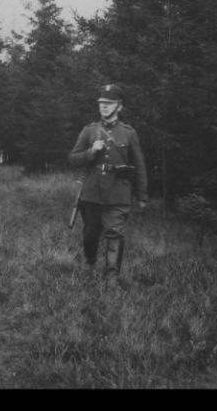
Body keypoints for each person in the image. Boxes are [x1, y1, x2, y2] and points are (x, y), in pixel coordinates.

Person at [68, 84, 148, 285]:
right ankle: (90, 263)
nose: (104, 107)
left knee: (115, 233)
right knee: (90, 235)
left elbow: (139, 166)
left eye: (109, 103)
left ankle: (112, 276)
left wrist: (142, 196)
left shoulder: (129, 134)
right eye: (102, 103)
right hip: (91, 193)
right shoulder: (89, 131)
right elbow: (73, 158)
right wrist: (90, 152)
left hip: (117, 193)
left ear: (119, 106)